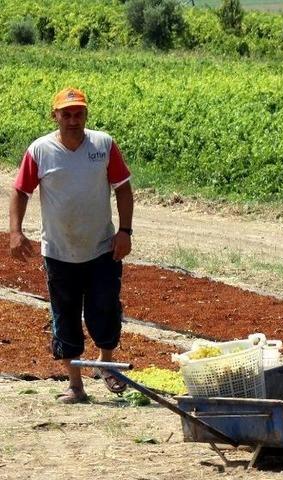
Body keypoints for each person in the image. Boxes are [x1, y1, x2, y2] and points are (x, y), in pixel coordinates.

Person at [8, 87, 135, 404]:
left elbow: (123, 189)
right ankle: (76, 386)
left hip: (102, 248)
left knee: (104, 306)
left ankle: (107, 365)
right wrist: (15, 232)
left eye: (79, 113)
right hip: (59, 251)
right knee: (64, 315)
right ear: (55, 116)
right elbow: (21, 191)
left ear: (86, 115)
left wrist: (125, 231)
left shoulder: (103, 145)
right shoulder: (40, 150)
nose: (73, 119)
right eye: (66, 114)